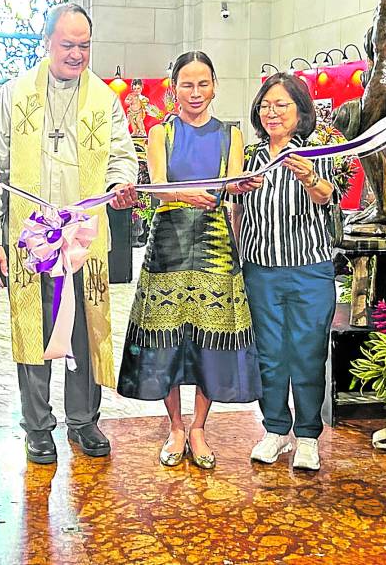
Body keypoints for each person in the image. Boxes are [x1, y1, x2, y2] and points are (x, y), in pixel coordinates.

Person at [0, 3, 138, 464]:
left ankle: (84, 420)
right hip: (30, 236)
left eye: (84, 45)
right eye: (67, 44)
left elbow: (122, 155)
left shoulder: (104, 99)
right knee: (33, 328)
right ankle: (37, 425)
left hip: (85, 237)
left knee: (85, 328)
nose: (76, 54)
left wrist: (120, 184)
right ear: (46, 42)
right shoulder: (14, 95)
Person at [118, 52, 262, 469]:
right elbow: (158, 187)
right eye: (187, 84)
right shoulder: (160, 133)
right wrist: (185, 195)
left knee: (210, 336)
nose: (195, 92)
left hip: (215, 239)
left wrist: (243, 187)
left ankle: (199, 427)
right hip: (169, 240)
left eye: (203, 84)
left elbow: (231, 188)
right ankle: (176, 427)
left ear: (214, 86)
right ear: (174, 88)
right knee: (167, 337)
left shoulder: (231, 135)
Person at [231, 72, 342, 472]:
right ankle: (275, 430)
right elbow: (237, 210)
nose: (272, 113)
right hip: (260, 271)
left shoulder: (317, 154)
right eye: (265, 106)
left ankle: (308, 436)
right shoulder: (250, 158)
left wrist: (309, 177)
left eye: (281, 105)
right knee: (269, 355)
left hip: (309, 270)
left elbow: (327, 197)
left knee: (308, 354)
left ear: (300, 111)